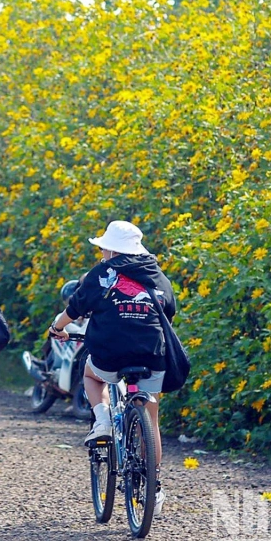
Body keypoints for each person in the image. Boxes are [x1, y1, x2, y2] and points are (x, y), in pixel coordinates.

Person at [48, 220, 175, 515]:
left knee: (92, 375)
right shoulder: (156, 274)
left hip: (111, 350)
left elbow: (75, 308)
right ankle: (153, 488)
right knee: (152, 420)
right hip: (152, 352)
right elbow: (169, 309)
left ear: (110, 249)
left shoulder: (102, 273)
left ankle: (103, 421)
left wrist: (58, 327)